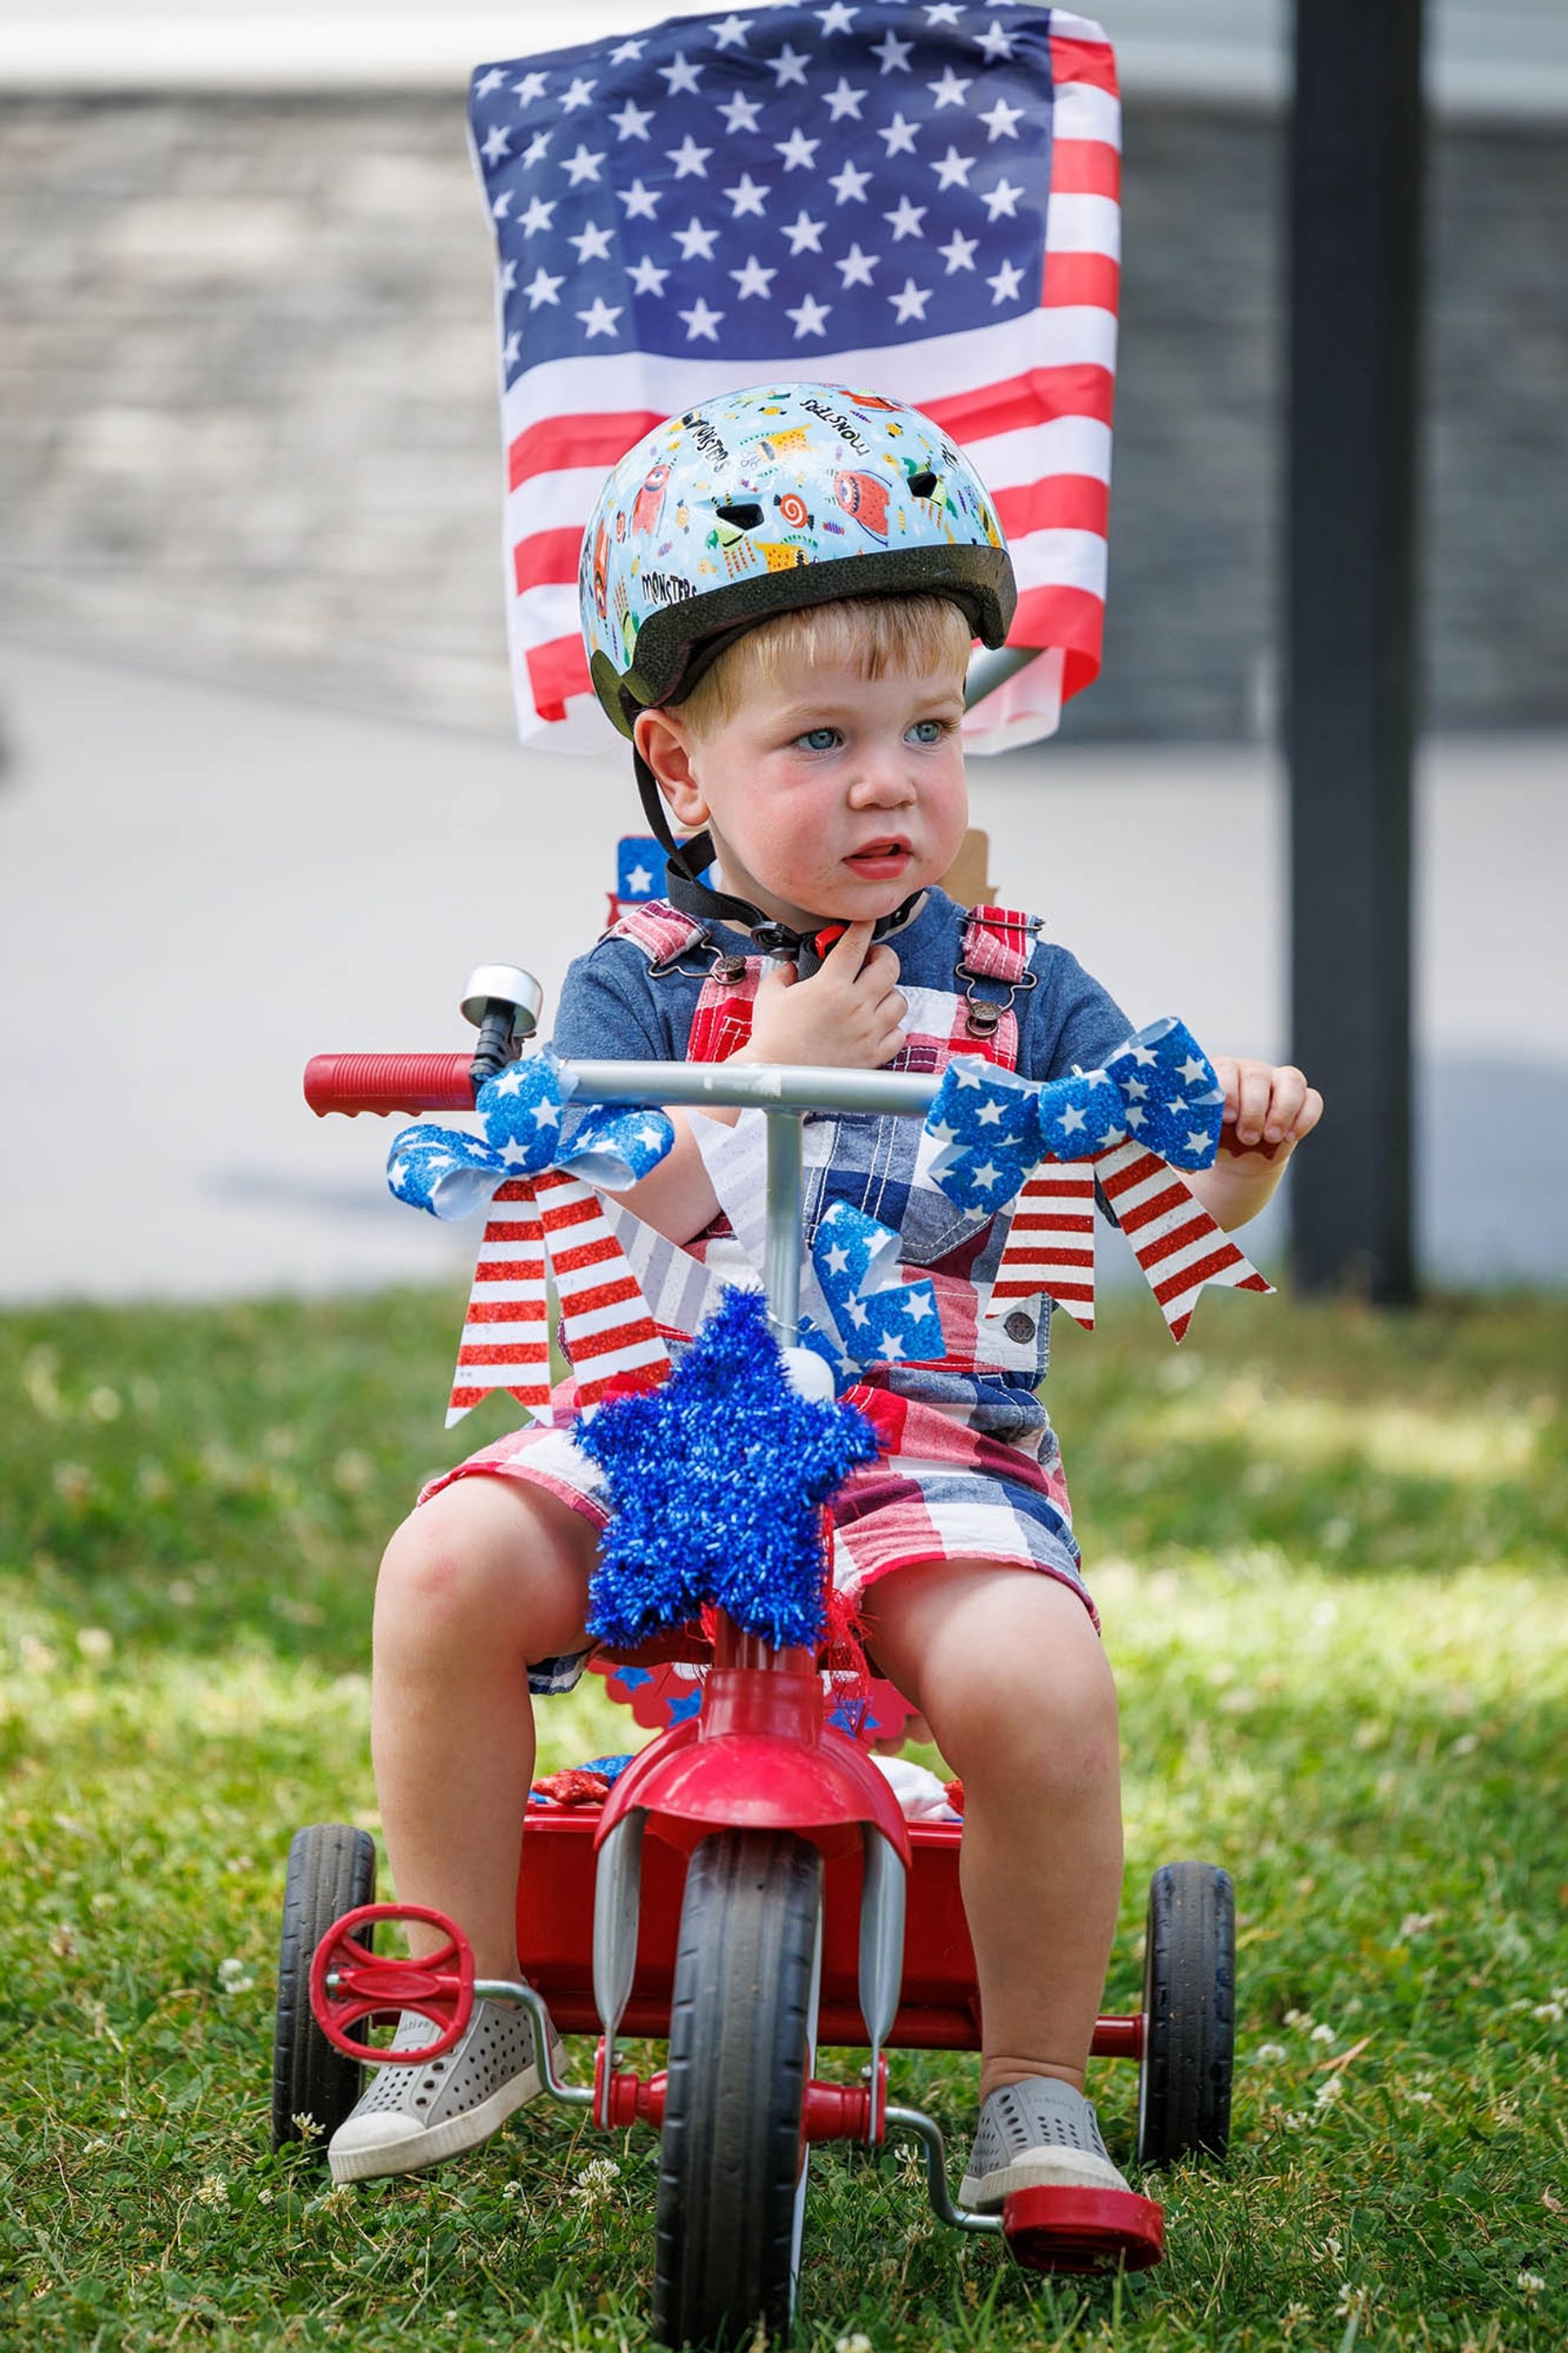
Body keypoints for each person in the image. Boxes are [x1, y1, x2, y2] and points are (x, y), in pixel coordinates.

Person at [328, 383, 1322, 2200]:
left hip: (923, 1437)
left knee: (1037, 1679)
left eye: (931, 726)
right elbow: (627, 1171)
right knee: (445, 1565)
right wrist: (767, 1054)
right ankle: (463, 1999)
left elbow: (1157, 1188)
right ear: (681, 763)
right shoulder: (637, 970)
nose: (890, 780)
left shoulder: (1016, 977)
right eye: (820, 738)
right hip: (672, 1405)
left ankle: (1033, 2085)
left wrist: (1240, 1136)